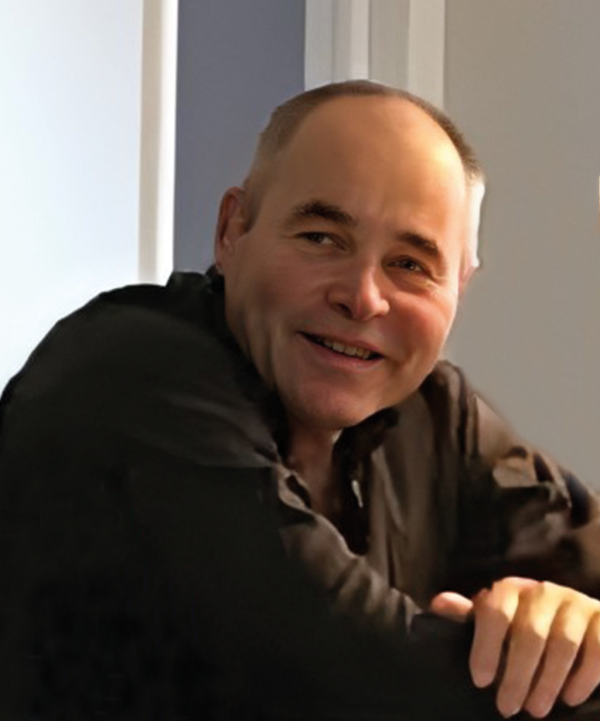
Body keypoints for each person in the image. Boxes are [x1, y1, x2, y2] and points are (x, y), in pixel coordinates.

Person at [1, 80, 600, 720]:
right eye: (321, 237)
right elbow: (359, 679)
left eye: (411, 265)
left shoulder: (435, 413)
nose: (363, 297)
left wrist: (569, 627)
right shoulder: (128, 375)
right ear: (232, 231)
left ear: (460, 286)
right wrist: (555, 668)